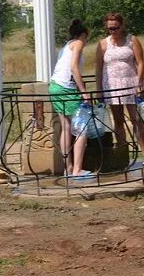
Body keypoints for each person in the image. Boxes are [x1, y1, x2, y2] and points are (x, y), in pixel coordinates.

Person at [94, 12, 144, 166]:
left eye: (116, 27)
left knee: (136, 119)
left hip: (131, 84)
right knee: (118, 120)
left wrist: (139, 83)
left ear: (122, 25)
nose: (113, 31)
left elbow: (140, 63)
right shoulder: (103, 44)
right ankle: (122, 153)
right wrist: (99, 89)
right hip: (111, 85)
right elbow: (98, 68)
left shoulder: (132, 40)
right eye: (110, 28)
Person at [49, 19, 93, 179]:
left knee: (66, 128)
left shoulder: (65, 46)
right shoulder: (78, 43)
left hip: (55, 86)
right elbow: (74, 67)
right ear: (82, 35)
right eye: (86, 38)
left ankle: (68, 167)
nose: (86, 42)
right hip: (67, 87)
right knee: (81, 128)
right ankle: (77, 169)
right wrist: (83, 92)